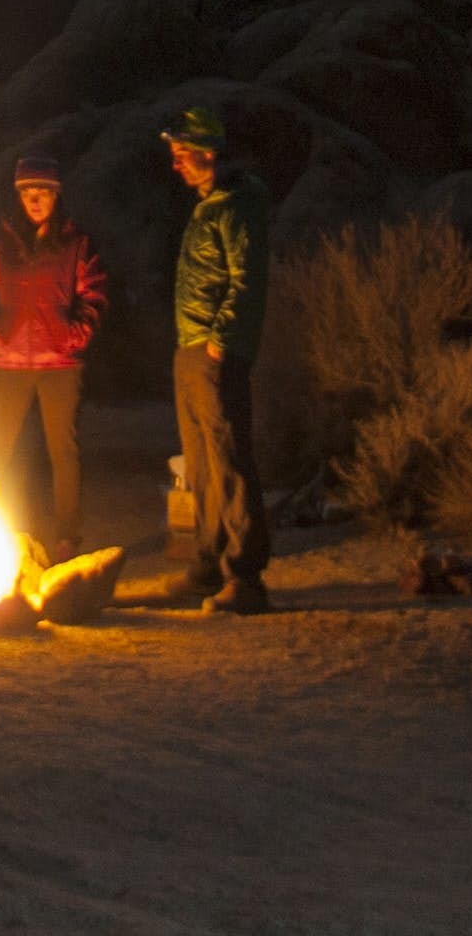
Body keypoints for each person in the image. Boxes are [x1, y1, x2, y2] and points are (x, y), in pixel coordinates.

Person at [155, 103, 269, 612]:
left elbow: (246, 279)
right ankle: (206, 565)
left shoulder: (237, 205)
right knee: (200, 464)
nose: (175, 164)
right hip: (190, 347)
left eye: (182, 155)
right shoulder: (208, 203)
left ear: (207, 154)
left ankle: (244, 576)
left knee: (228, 461)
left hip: (214, 352)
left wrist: (222, 339)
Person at [0, 151, 107, 550]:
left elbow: (94, 293)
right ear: (18, 195)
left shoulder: (75, 243)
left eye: (43, 192)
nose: (35, 199)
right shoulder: (1, 243)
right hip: (8, 362)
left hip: (59, 364)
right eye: (28, 191)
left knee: (62, 452)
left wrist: (74, 336)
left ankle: (67, 536)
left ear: (56, 195)